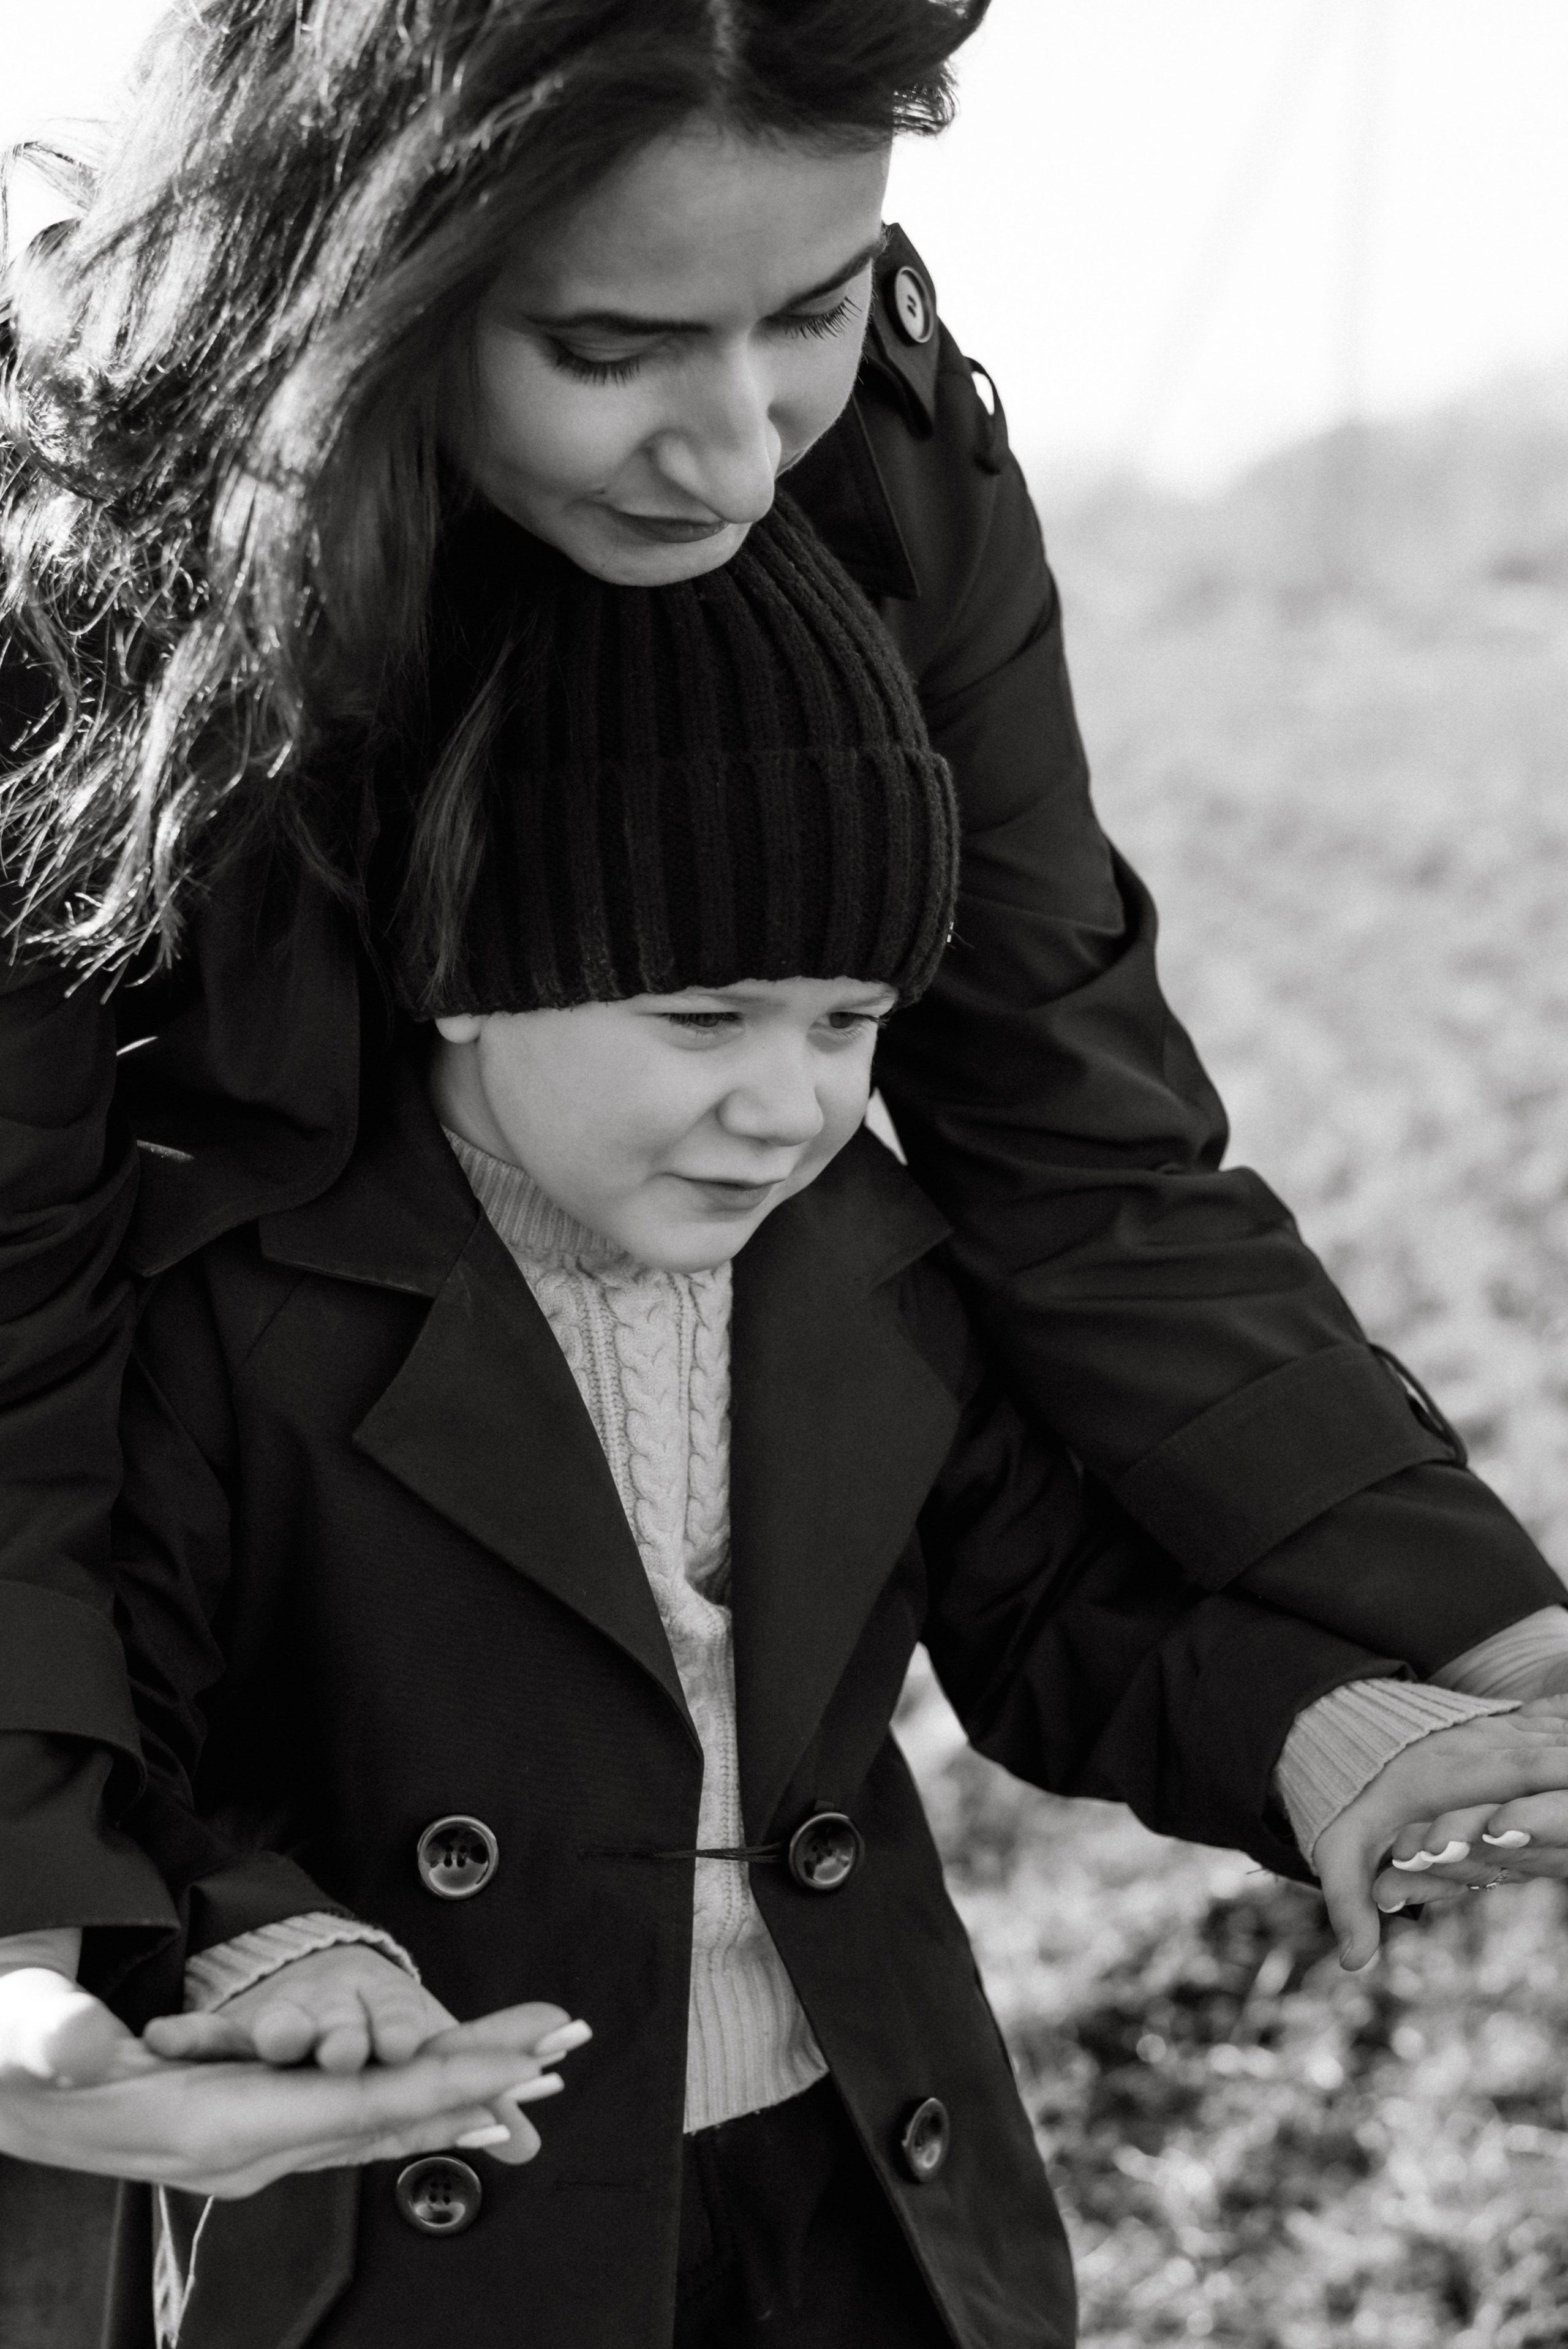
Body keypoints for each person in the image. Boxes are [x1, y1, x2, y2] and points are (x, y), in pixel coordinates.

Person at [4, 0, 1568, 2217]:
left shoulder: (897, 488)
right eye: (614, 348)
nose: (740, 453)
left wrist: (1483, 1639)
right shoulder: (72, 551)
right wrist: (35, 1943)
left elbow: (1080, 1138)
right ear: (354, 282)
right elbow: (19, 1314)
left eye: (814, 310)